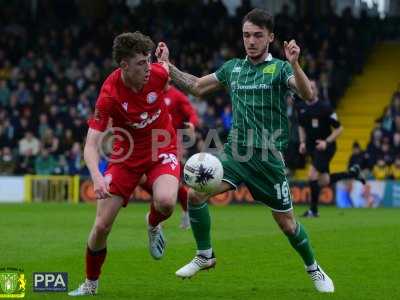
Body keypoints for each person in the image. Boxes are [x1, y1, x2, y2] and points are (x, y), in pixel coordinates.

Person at [157, 8, 334, 293]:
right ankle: (205, 255)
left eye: (257, 36)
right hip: (236, 154)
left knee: (287, 224)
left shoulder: (280, 69)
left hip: (268, 160)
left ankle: (313, 268)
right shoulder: (232, 68)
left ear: (270, 37)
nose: (250, 41)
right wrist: (168, 66)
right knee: (195, 193)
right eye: (246, 35)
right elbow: (197, 87)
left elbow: (307, 94)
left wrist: (296, 64)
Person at [69, 32, 180, 296]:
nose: (147, 67)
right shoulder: (109, 94)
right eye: (141, 62)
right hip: (126, 155)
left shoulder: (157, 73)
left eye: (149, 60)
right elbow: (91, 145)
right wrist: (97, 176)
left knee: (165, 202)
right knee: (101, 227)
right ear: (124, 66)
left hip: (161, 145)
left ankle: (153, 224)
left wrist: (165, 60)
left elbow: (164, 75)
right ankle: (91, 283)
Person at [296, 80, 365, 218]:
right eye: (308, 87)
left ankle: (313, 211)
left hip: (326, 147)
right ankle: (352, 174)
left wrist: (326, 142)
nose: (310, 89)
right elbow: (301, 126)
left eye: (313, 87)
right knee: (324, 181)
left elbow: (339, 129)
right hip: (313, 147)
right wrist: (302, 142)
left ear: (317, 90)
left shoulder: (325, 107)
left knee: (312, 175)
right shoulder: (301, 107)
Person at [141, 80, 199, 229]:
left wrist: (192, 123)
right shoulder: (151, 93)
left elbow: (192, 113)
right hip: (150, 141)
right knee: (148, 179)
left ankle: (186, 213)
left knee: (175, 182)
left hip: (171, 142)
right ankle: (159, 213)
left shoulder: (177, 96)